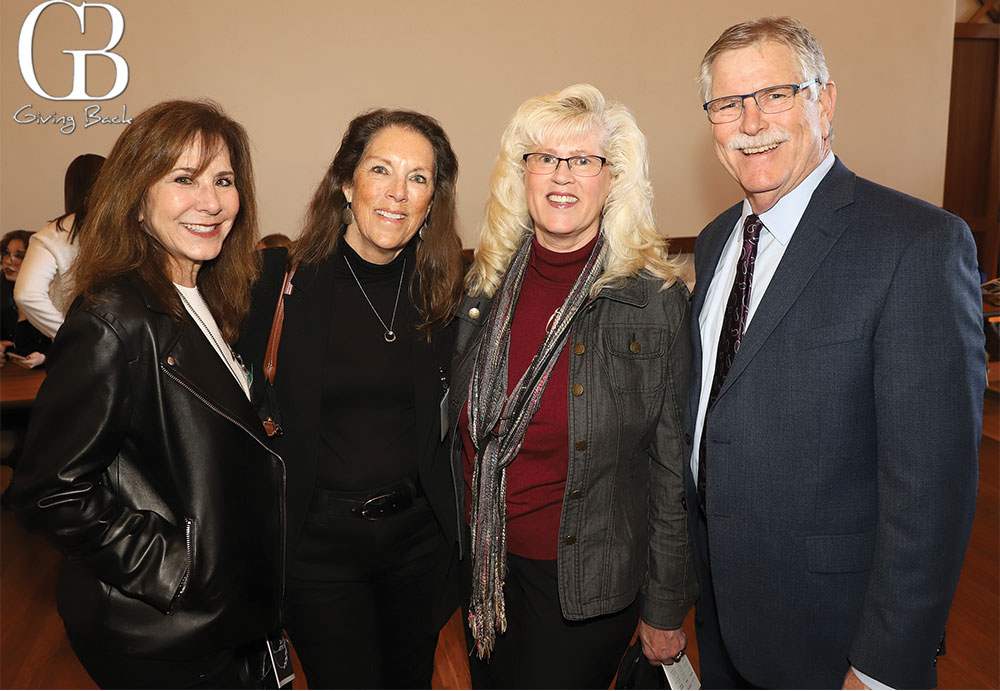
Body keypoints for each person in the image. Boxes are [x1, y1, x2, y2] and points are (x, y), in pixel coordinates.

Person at [686, 17, 984, 689]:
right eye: (728, 103)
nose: (751, 120)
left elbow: (931, 491)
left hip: (837, 640)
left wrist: (880, 666)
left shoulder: (916, 244)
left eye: (776, 94)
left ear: (823, 102)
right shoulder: (714, 243)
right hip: (725, 623)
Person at [7, 100, 288, 689]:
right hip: (160, 631)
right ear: (137, 197)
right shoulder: (114, 318)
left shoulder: (202, 295)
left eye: (224, 180)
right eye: (183, 179)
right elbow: (48, 492)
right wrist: (176, 570)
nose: (210, 202)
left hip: (216, 616)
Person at [452, 83, 697, 688]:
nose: (562, 175)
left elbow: (672, 468)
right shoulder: (482, 288)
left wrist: (665, 604)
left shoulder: (652, 301)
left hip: (589, 581)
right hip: (487, 569)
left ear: (612, 179)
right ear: (523, 174)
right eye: (544, 158)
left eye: (584, 160)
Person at [238, 109, 466, 688]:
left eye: (418, 178)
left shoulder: (442, 290)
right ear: (345, 182)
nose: (397, 193)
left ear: (432, 199)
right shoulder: (280, 281)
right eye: (381, 170)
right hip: (318, 549)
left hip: (419, 542)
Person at [15, 154, 105, 340]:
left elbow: (26, 294)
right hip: (129, 343)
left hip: (79, 350)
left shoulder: (52, 235)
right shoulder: (133, 226)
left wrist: (68, 335)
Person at [1, 229, 50, 368]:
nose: (7, 261)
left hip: (42, 375)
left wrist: (44, 358)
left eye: (19, 256)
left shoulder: (51, 291)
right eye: (5, 254)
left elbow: (66, 344)